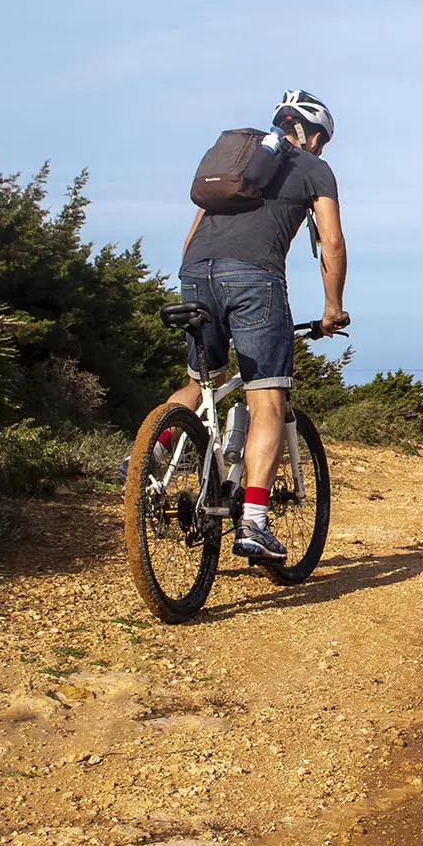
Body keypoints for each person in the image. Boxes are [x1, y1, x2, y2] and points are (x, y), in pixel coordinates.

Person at [167, 89, 349, 558]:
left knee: (203, 379)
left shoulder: (238, 164)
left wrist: (198, 279)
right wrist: (333, 308)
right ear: (310, 133)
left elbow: (192, 233)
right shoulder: (312, 168)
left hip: (195, 273)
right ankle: (253, 522)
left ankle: (151, 451)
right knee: (266, 395)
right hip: (253, 278)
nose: (322, 150)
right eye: (322, 141)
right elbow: (331, 243)